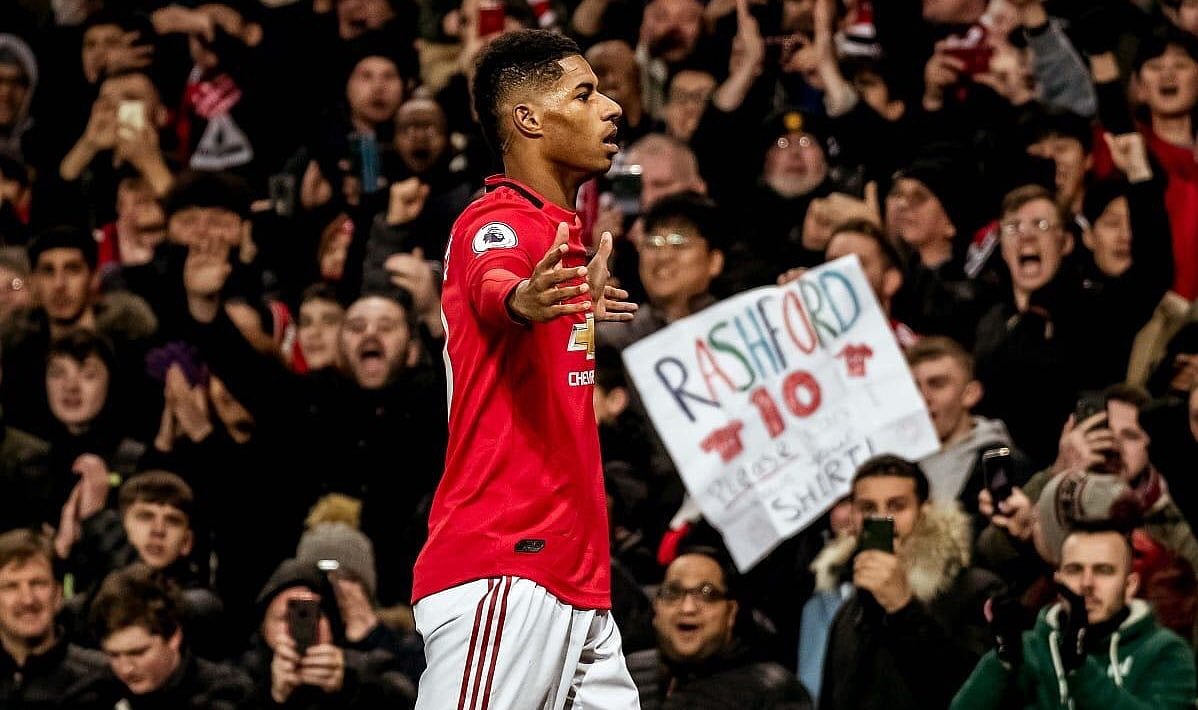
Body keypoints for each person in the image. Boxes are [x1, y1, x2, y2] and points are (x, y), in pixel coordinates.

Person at [410, 29, 642, 709]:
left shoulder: (558, 235)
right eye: (585, 93)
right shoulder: (498, 220)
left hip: (572, 575)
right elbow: (494, 280)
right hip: (508, 565)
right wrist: (522, 299)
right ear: (529, 119)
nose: (610, 108)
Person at [819, 454, 1002, 710]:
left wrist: (903, 609)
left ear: (924, 512)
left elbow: (977, 694)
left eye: (896, 506)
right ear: (854, 519)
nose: (882, 519)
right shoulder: (848, 615)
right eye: (868, 508)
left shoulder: (974, 591)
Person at [952, 527, 1196, 709]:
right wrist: (1002, 662)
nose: (1087, 583)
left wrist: (1079, 668)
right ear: (1058, 582)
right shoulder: (1028, 650)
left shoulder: (1166, 651)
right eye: (1075, 570)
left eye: (1103, 570)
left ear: (1130, 585)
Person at [626, 546, 812, 709]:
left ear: (731, 612)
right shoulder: (626, 671)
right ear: (656, 606)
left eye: (707, 593)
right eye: (673, 592)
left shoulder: (774, 692)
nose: (687, 608)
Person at [90, 564, 255, 708]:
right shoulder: (99, 691)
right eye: (114, 655)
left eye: (138, 653)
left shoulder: (228, 693)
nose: (126, 669)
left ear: (174, 637)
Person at [598, 190, 724, 350]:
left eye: (679, 243)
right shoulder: (610, 341)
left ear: (714, 261)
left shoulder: (738, 331)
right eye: (653, 242)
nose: (663, 256)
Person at [0, 529, 112, 707]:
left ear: (58, 595)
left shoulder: (100, 679)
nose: (28, 600)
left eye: (38, 583)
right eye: (11, 587)